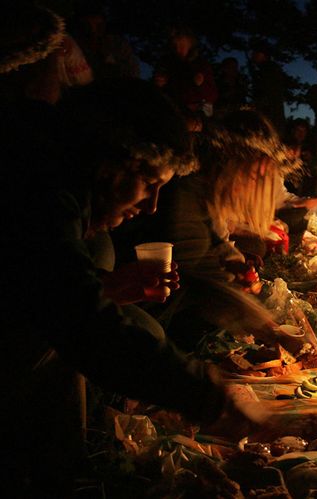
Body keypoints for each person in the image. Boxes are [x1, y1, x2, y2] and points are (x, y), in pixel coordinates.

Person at [0, 12, 264, 494]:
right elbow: (72, 314)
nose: (151, 207)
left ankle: (65, 463)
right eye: (148, 184)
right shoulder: (35, 183)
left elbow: (50, 284)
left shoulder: (51, 169)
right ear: (111, 161)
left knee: (131, 314)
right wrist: (201, 391)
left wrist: (106, 289)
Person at [122, 109, 304, 351]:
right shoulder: (185, 190)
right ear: (231, 162)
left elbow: (218, 240)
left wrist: (236, 264)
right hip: (151, 302)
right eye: (252, 176)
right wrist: (266, 327)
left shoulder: (210, 188)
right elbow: (198, 277)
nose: (253, 186)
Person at [156, 27, 218, 118]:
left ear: (190, 43)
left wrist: (201, 84)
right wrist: (160, 84)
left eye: (181, 45)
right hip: (176, 110)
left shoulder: (201, 65)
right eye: (175, 46)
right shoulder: (170, 66)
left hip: (199, 112)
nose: (178, 50)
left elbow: (213, 95)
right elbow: (169, 93)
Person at [249, 42, 287, 136]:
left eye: (255, 53)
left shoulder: (268, 70)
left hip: (269, 118)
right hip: (271, 117)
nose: (253, 56)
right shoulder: (267, 69)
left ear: (263, 55)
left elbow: (268, 94)